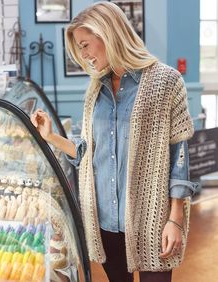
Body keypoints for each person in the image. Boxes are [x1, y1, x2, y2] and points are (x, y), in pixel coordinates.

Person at [31, 2, 198, 282]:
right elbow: (89, 154)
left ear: (107, 34)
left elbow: (178, 157)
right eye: (79, 49)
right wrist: (51, 137)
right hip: (104, 223)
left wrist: (175, 218)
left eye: (85, 45)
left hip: (152, 221)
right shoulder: (95, 87)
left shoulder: (166, 81)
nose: (84, 56)